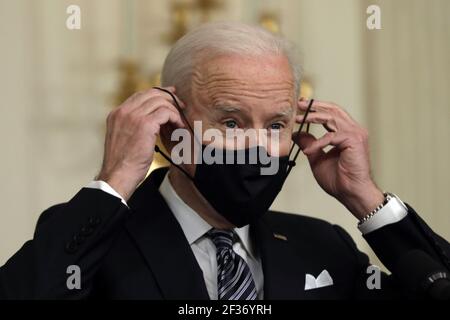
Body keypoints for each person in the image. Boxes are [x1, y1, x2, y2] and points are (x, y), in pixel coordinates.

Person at [1, 22, 449, 300]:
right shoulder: (93, 245)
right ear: (174, 131)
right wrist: (115, 179)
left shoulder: (325, 247)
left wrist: (365, 198)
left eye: (276, 125)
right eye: (231, 123)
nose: (256, 145)